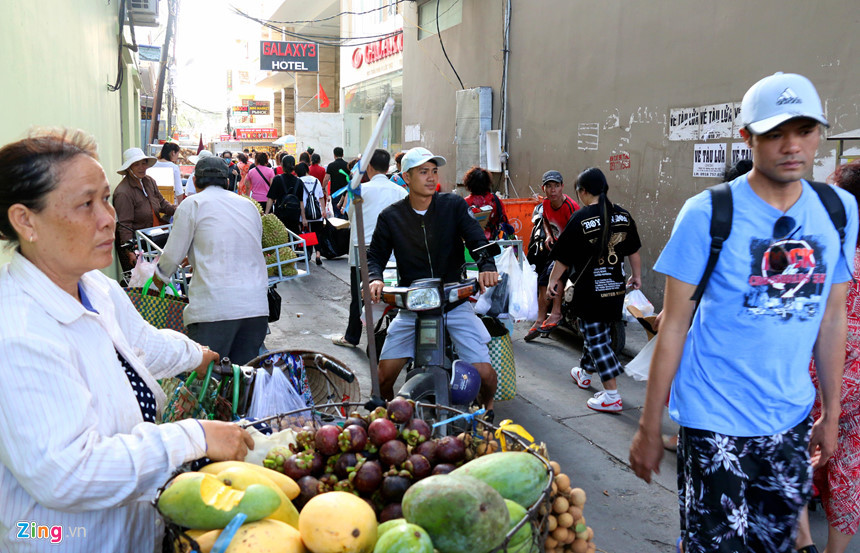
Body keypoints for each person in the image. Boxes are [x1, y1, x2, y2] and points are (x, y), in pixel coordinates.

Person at [629, 72, 858, 553]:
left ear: (819, 133)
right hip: (715, 423)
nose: (792, 145)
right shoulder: (707, 213)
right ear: (747, 137)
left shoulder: (839, 211)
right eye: (775, 132)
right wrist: (650, 426)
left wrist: (831, 413)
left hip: (790, 421)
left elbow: (833, 317)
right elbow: (673, 326)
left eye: (804, 130)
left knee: (777, 545)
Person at [0, 129, 253, 552]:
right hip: (53, 536)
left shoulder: (96, 287)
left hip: (133, 530)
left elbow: (143, 344)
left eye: (104, 199)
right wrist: (193, 437)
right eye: (86, 204)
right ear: (26, 220)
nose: (108, 218)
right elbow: (67, 472)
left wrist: (199, 354)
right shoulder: (17, 332)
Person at [367, 147, 500, 418]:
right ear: (406, 177)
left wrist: (487, 264)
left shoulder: (453, 205)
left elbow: (475, 237)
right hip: (412, 307)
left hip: (453, 301)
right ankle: (391, 421)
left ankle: (488, 410)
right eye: (423, 172)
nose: (431, 177)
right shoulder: (391, 216)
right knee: (382, 377)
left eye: (434, 171)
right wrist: (374, 279)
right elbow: (375, 256)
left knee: (485, 373)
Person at [795, 160, 860, 553]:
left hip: (819, 375)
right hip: (857, 391)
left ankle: (804, 542)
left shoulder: (822, 251)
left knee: (795, 450)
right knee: (849, 470)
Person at [153, 157, 268, 365]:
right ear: (227, 182)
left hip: (215, 309)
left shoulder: (192, 203)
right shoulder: (248, 206)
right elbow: (247, 246)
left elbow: (171, 256)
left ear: (195, 182)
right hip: (256, 307)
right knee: (244, 380)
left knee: (208, 381)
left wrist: (157, 279)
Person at [547, 167, 641, 413]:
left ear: (583, 192)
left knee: (597, 339)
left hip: (589, 291)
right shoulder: (623, 215)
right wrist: (637, 276)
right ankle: (584, 373)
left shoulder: (581, 218)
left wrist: (553, 281)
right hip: (615, 290)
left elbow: (564, 257)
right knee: (596, 332)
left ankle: (612, 395)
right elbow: (633, 250)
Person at [332, 149, 407, 348]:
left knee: (358, 297)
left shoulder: (359, 190)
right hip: (392, 257)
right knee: (394, 298)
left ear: (369, 167)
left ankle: (352, 336)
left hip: (362, 254)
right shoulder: (400, 191)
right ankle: (393, 338)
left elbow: (349, 216)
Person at [524, 170, 579, 341]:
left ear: (562, 187)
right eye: (549, 186)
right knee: (542, 280)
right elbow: (545, 221)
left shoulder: (571, 207)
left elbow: (576, 235)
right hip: (556, 248)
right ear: (544, 188)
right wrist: (548, 235)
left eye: (556, 186)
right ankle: (541, 318)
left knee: (555, 274)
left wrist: (563, 253)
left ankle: (556, 313)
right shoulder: (546, 204)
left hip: (571, 250)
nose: (553, 190)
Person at [113, 147, 176, 273]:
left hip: (154, 238)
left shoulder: (149, 181)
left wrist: (180, 210)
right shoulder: (123, 192)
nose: (142, 167)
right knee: (142, 282)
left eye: (143, 163)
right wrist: (129, 252)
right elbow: (124, 225)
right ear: (129, 168)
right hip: (139, 244)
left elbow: (162, 203)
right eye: (137, 165)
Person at [463, 166, 510, 240]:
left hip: (473, 243)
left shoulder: (466, 202)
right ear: (487, 182)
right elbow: (504, 220)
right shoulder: (495, 200)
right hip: (495, 242)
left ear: (469, 183)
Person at [296, 161, 325, 266]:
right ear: (307, 170)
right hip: (317, 213)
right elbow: (321, 197)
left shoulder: (298, 181)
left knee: (305, 233)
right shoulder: (316, 180)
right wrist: (323, 211)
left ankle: (306, 253)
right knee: (318, 234)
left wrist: (303, 217)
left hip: (305, 213)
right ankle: (318, 254)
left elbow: (301, 201)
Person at [265, 155, 303, 235]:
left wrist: (266, 214)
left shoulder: (277, 179)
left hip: (281, 215)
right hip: (294, 215)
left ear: (282, 165)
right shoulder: (299, 181)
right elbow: (301, 201)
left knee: (281, 238)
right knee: (294, 238)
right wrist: (304, 218)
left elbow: (271, 198)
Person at [324, 147, 350, 218]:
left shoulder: (331, 165)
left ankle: (339, 228)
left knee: (337, 213)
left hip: (335, 193)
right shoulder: (347, 165)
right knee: (345, 212)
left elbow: (326, 179)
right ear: (343, 154)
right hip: (346, 192)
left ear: (334, 155)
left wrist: (323, 188)